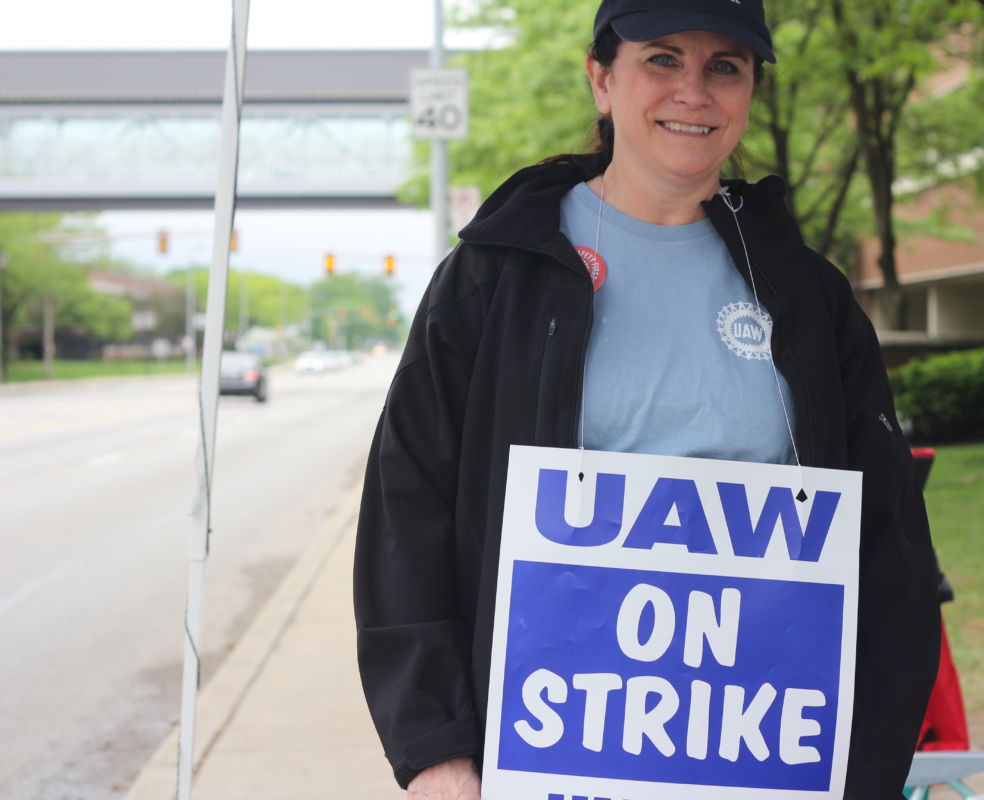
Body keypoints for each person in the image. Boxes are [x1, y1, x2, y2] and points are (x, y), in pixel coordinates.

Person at [354, 0, 941, 797]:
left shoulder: (808, 296)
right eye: (662, 59)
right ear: (602, 79)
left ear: (749, 93)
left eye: (723, 67)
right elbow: (406, 511)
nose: (693, 92)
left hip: (764, 761)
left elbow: (891, 545)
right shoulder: (499, 276)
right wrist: (437, 750)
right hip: (543, 757)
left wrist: (863, 770)